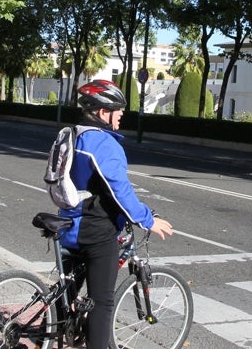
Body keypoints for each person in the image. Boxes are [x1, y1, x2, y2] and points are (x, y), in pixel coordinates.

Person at [58, 79, 174, 349]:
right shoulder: (103, 143)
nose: (122, 114)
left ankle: (54, 332)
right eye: (118, 110)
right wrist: (147, 219)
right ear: (102, 112)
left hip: (68, 221)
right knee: (103, 302)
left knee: (67, 292)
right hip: (94, 229)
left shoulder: (73, 134)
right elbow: (119, 189)